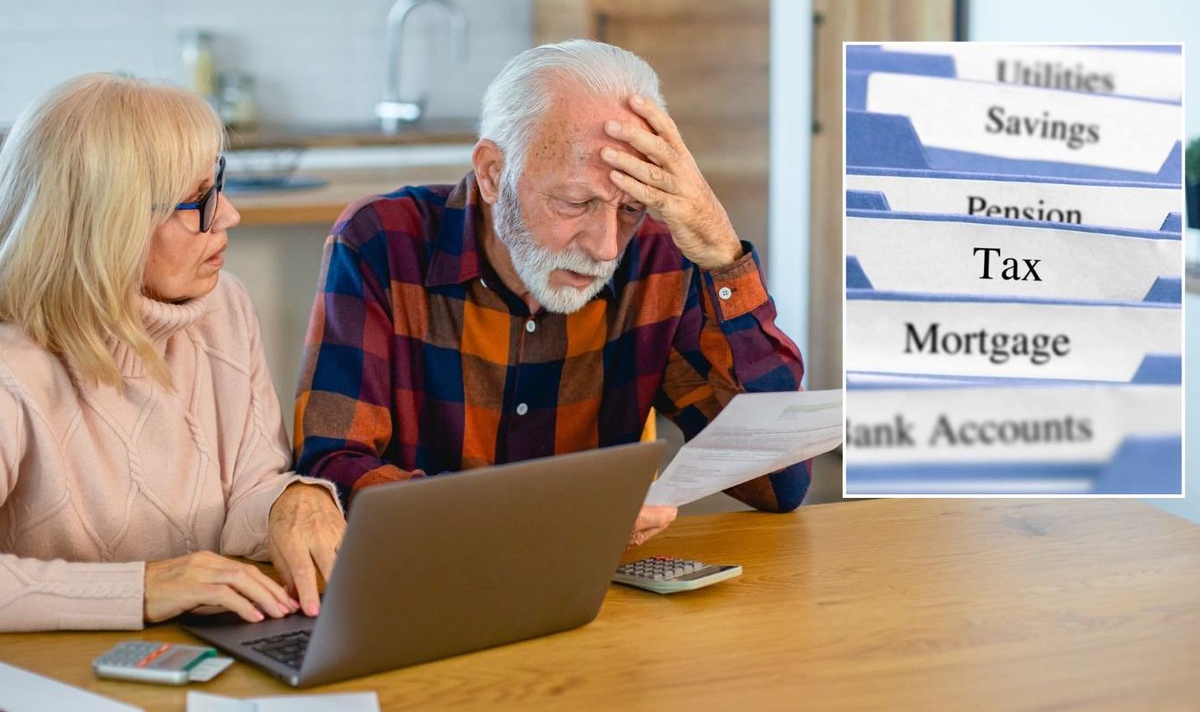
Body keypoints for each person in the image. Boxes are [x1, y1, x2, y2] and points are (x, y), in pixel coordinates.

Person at [295, 40, 808, 544]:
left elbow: (779, 481)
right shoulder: (381, 241)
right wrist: (540, 521)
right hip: (428, 583)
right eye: (574, 202)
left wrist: (722, 255)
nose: (607, 248)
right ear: (494, 173)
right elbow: (333, 470)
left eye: (630, 208)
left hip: (597, 596)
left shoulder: (657, 258)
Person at [0, 74, 345, 633]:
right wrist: (141, 588)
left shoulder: (222, 306)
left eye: (220, 184)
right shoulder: (11, 367)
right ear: (109, 223)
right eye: (199, 199)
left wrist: (293, 498)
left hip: (203, 650)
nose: (229, 214)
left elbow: (250, 489)